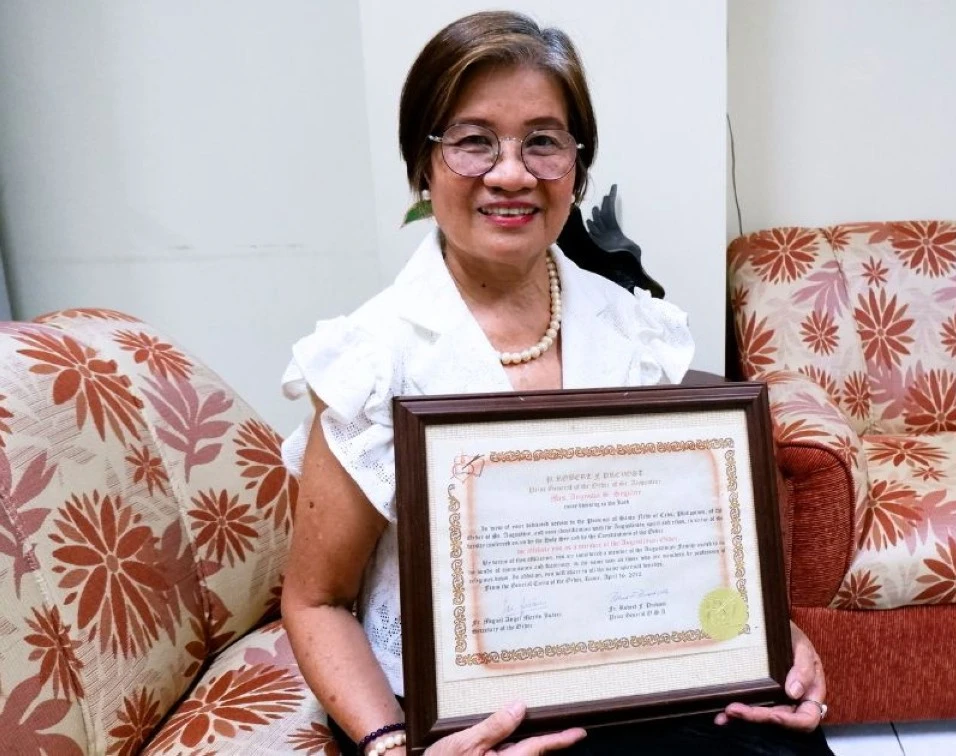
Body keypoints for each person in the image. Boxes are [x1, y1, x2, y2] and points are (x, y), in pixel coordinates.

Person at [280, 11, 833, 756]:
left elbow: (687, 550)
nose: (511, 173)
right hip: (456, 718)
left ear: (576, 165)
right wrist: (391, 746)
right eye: (474, 141)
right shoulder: (374, 356)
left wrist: (769, 639)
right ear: (423, 164)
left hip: (635, 674)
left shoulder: (637, 330)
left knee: (782, 745)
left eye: (542, 142)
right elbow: (317, 601)